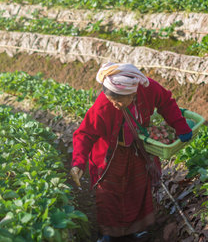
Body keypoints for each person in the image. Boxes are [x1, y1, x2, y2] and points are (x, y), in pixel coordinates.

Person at [70, 63, 193, 242]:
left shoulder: (148, 89)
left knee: (137, 189)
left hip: (137, 149)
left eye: (119, 101)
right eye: (112, 101)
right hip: (110, 153)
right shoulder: (103, 105)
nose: (116, 105)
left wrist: (180, 125)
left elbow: (166, 102)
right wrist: (78, 162)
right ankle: (109, 233)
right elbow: (85, 133)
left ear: (132, 94)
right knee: (108, 192)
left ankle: (138, 229)